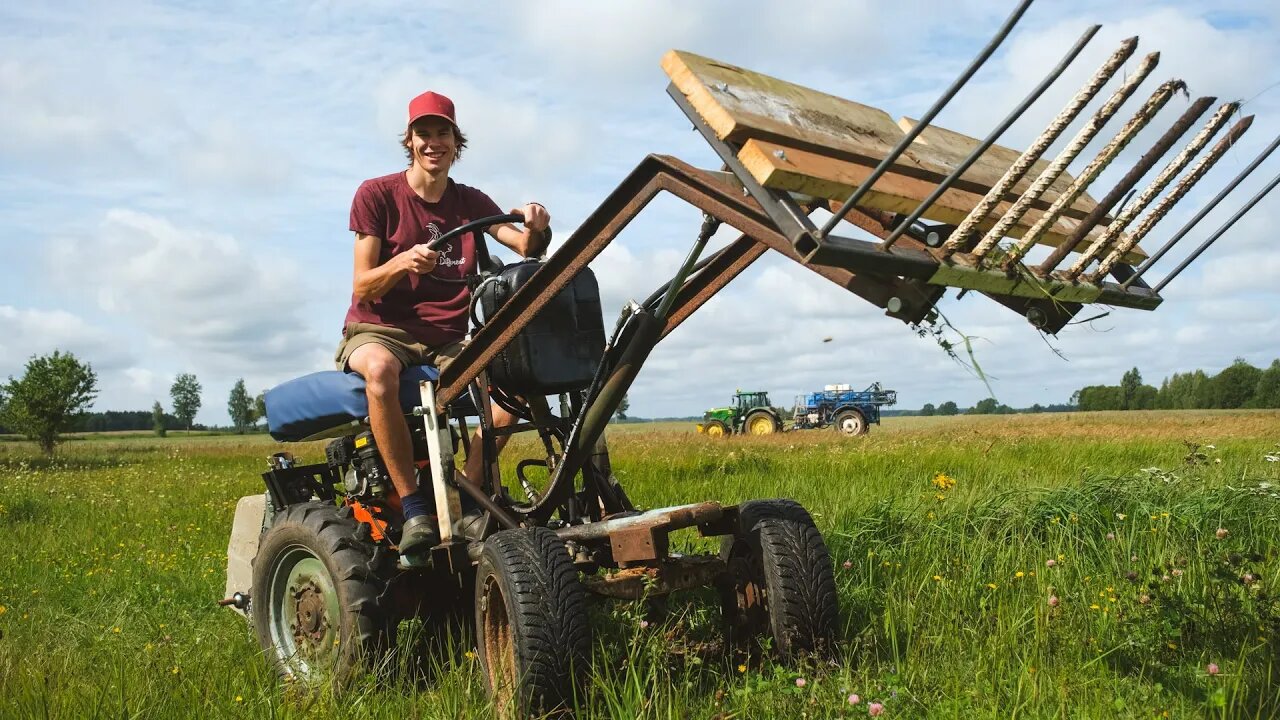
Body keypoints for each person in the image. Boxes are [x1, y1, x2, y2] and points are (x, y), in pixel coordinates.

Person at [335, 90, 551, 554]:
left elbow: (526, 247)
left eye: (443, 133)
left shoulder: (470, 202)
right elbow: (362, 285)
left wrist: (536, 222)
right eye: (423, 133)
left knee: (513, 387)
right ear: (409, 142)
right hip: (380, 330)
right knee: (379, 372)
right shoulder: (376, 195)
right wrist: (401, 264)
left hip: (447, 337)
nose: (433, 142)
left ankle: (466, 502)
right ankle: (414, 508)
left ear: (457, 142)